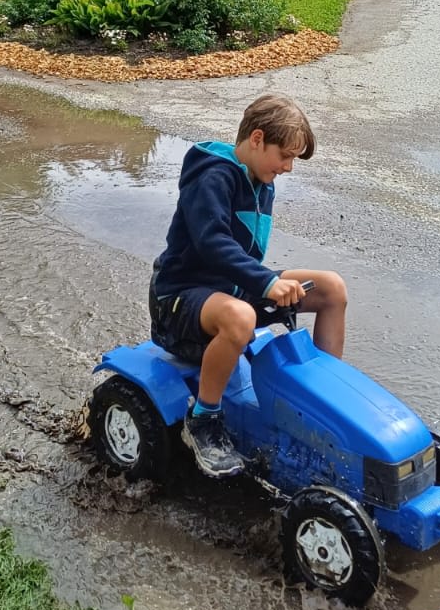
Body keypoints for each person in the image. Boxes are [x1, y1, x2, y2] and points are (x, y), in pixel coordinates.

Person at [149, 93, 347, 478]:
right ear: (257, 139)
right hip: (179, 297)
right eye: (284, 156)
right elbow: (212, 243)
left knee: (331, 288)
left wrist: (265, 282)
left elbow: (245, 260)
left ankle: (326, 397)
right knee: (240, 317)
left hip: (234, 287)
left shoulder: (261, 179)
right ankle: (203, 419)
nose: (288, 167)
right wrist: (267, 282)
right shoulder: (212, 176)